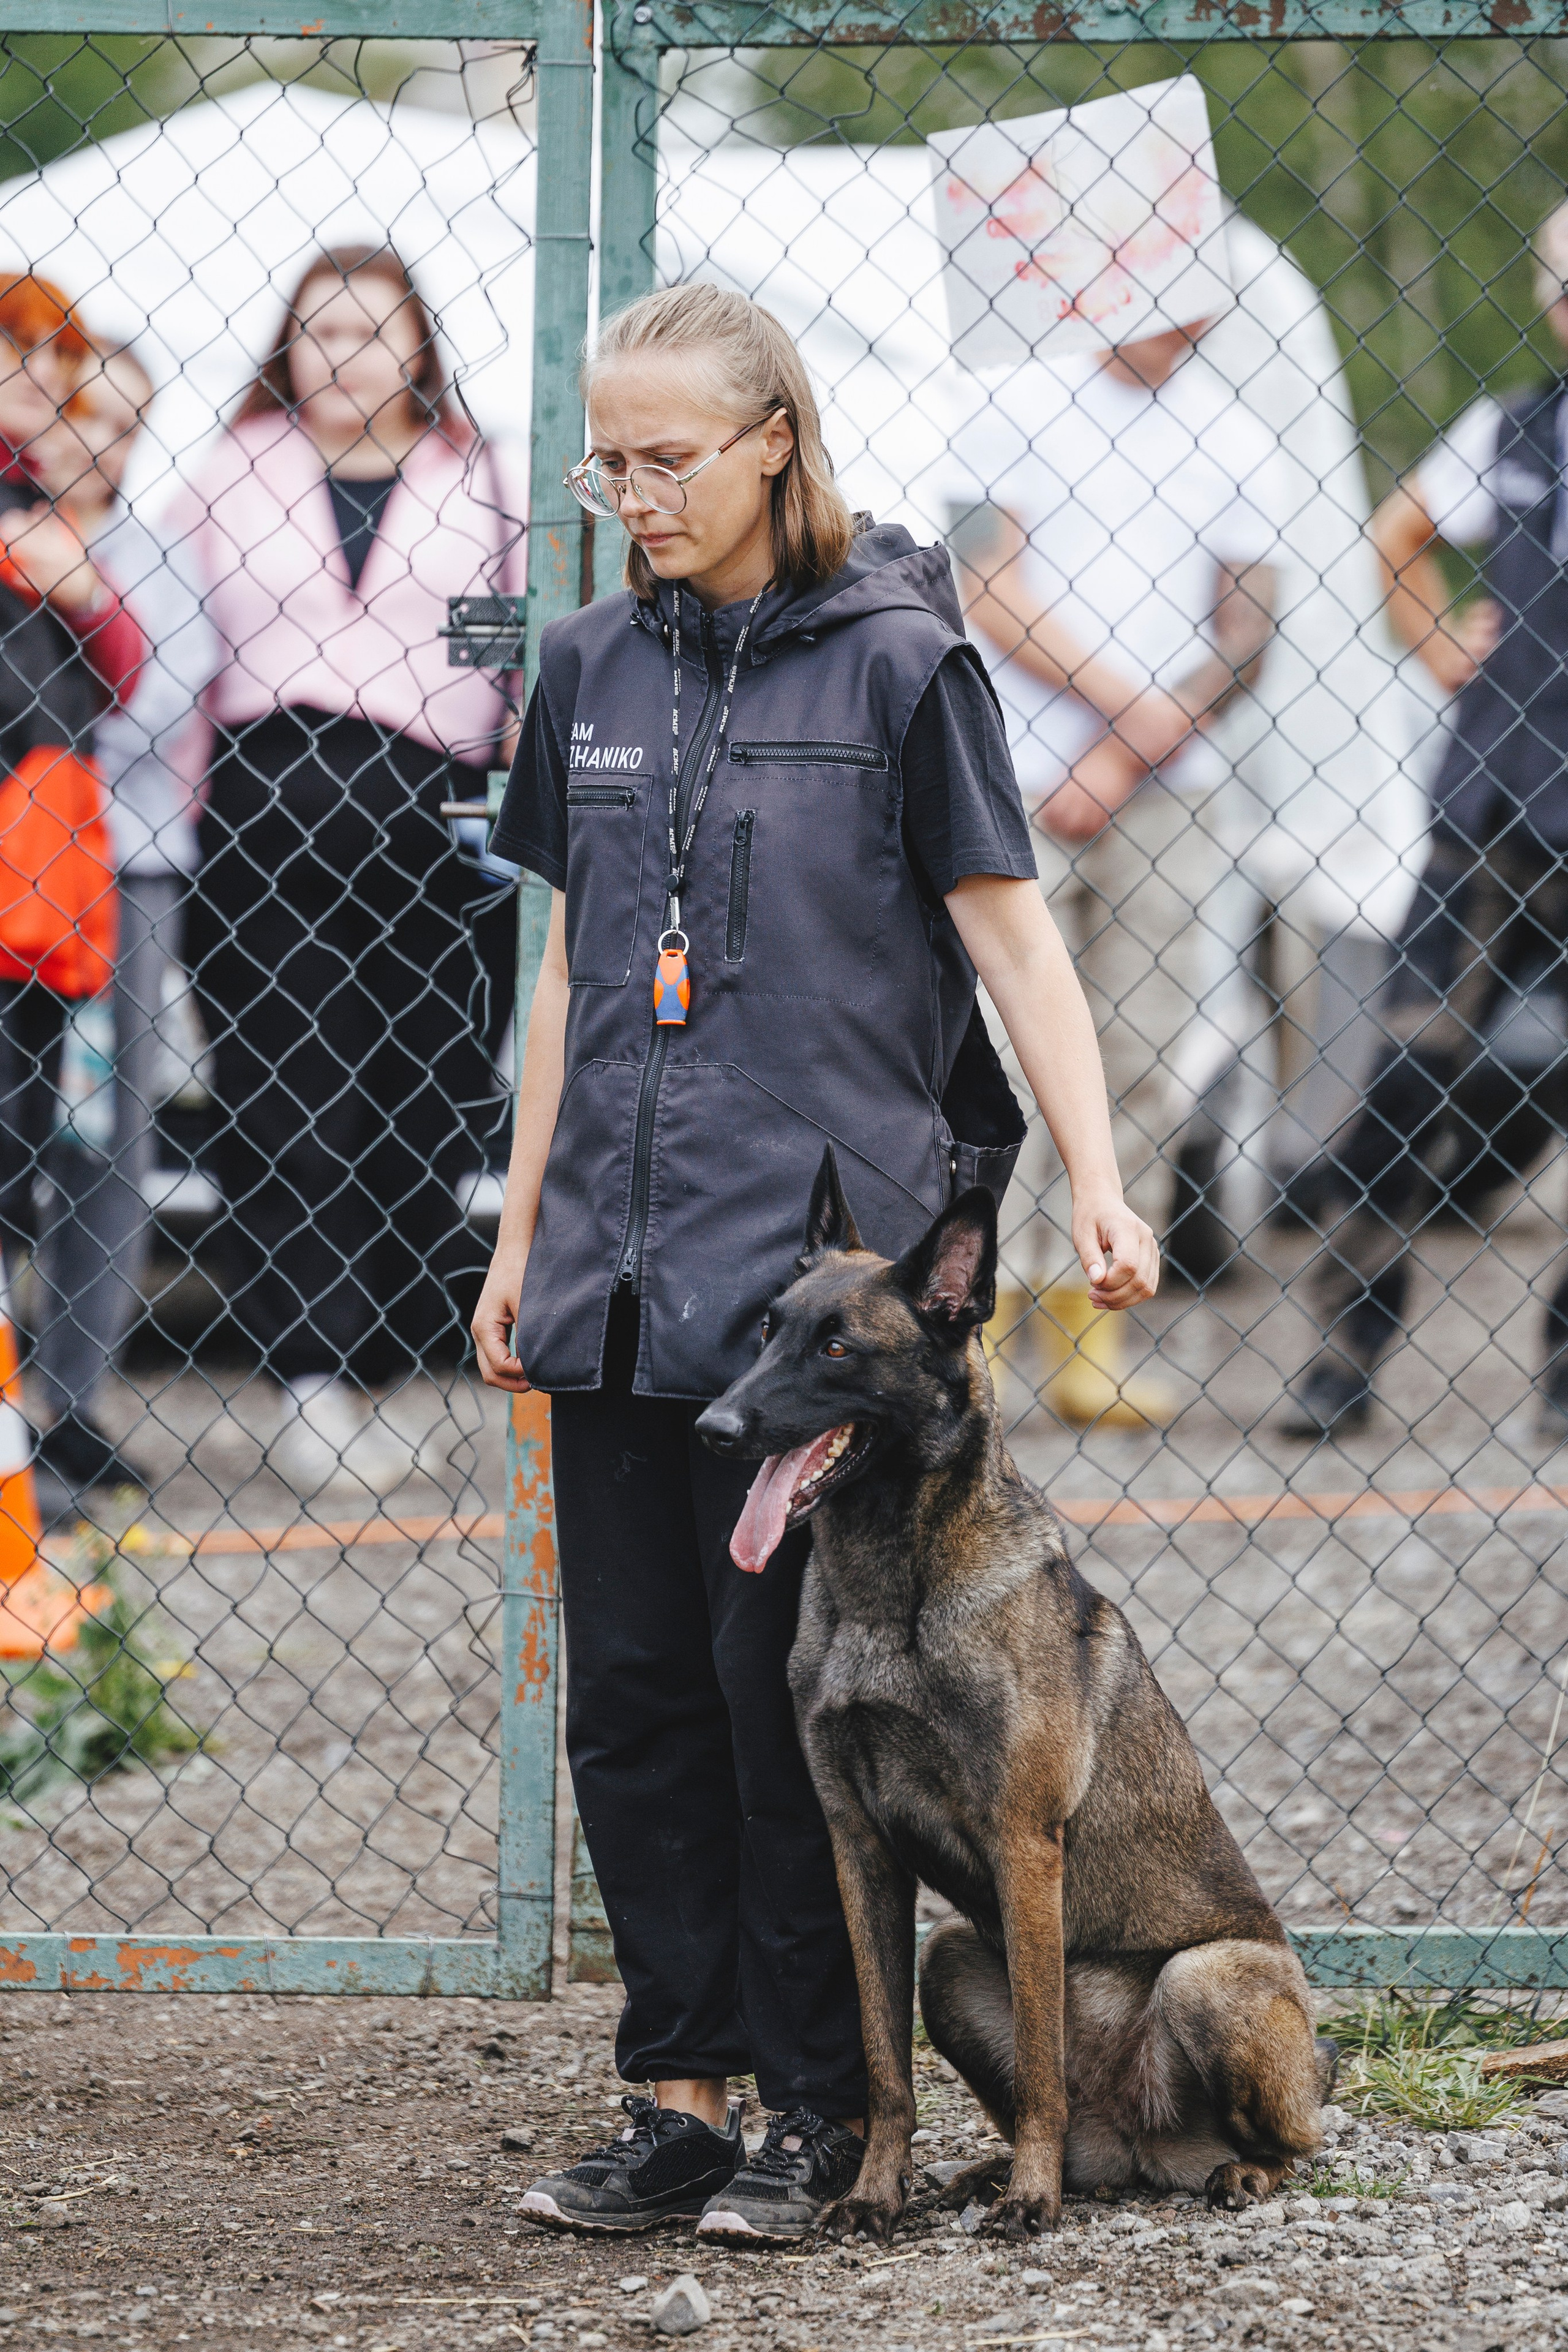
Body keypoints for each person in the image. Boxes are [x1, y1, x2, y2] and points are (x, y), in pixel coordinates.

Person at [472, 284, 1158, 2245]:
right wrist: (521, 1233)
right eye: (609, 461)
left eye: (669, 457)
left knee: (777, 1694)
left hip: (808, 1299)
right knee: (629, 1693)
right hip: (610, 1262)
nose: (633, 495)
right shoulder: (590, 663)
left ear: (776, 435)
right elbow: (573, 972)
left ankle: (820, 2107)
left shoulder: (902, 667)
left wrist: (1100, 1187)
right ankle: (675, 2093)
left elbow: (1017, 943)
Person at [176, 244, 525, 1495]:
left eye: (375, 331)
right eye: (320, 330)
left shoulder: (481, 477)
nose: (348, 355)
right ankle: (306, 1371)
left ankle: (384, 1361)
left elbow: (516, 642)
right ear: (285, 344)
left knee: (423, 1098)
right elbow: (181, 659)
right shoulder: (229, 471)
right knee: (286, 1103)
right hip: (267, 814)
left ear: (422, 347)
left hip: (433, 817)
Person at [946, 309, 1278, 1422]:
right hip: (1018, 775)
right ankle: (971, 1320)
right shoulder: (1019, 398)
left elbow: (1247, 634)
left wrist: (1131, 747)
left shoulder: (1232, 431)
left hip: (1166, 790)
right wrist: (1126, 716)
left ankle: (1088, 1325)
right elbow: (986, 589)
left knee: (1140, 1051)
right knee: (996, 1058)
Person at [1283, 198, 1568, 1440]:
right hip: (1491, 804)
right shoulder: (1508, 427)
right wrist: (1439, 637)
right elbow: (1394, 534)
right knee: (1403, 1077)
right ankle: (1341, 1355)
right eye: (1558, 282)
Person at [24, 340, 216, 1496]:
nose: (102, 441)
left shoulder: (160, 556)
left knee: (106, 1137)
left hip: (120, 874)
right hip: (20, 868)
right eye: (86, 411)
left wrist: (43, 739)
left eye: (128, 423)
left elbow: (159, 696)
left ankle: (73, 1397)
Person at [0, 277, 146, 1494]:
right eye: (24, 362)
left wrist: (80, 589)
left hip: (36, 882)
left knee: (23, 1153)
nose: (47, 386)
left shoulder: (41, 510)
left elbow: (120, 672)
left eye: (58, 365)